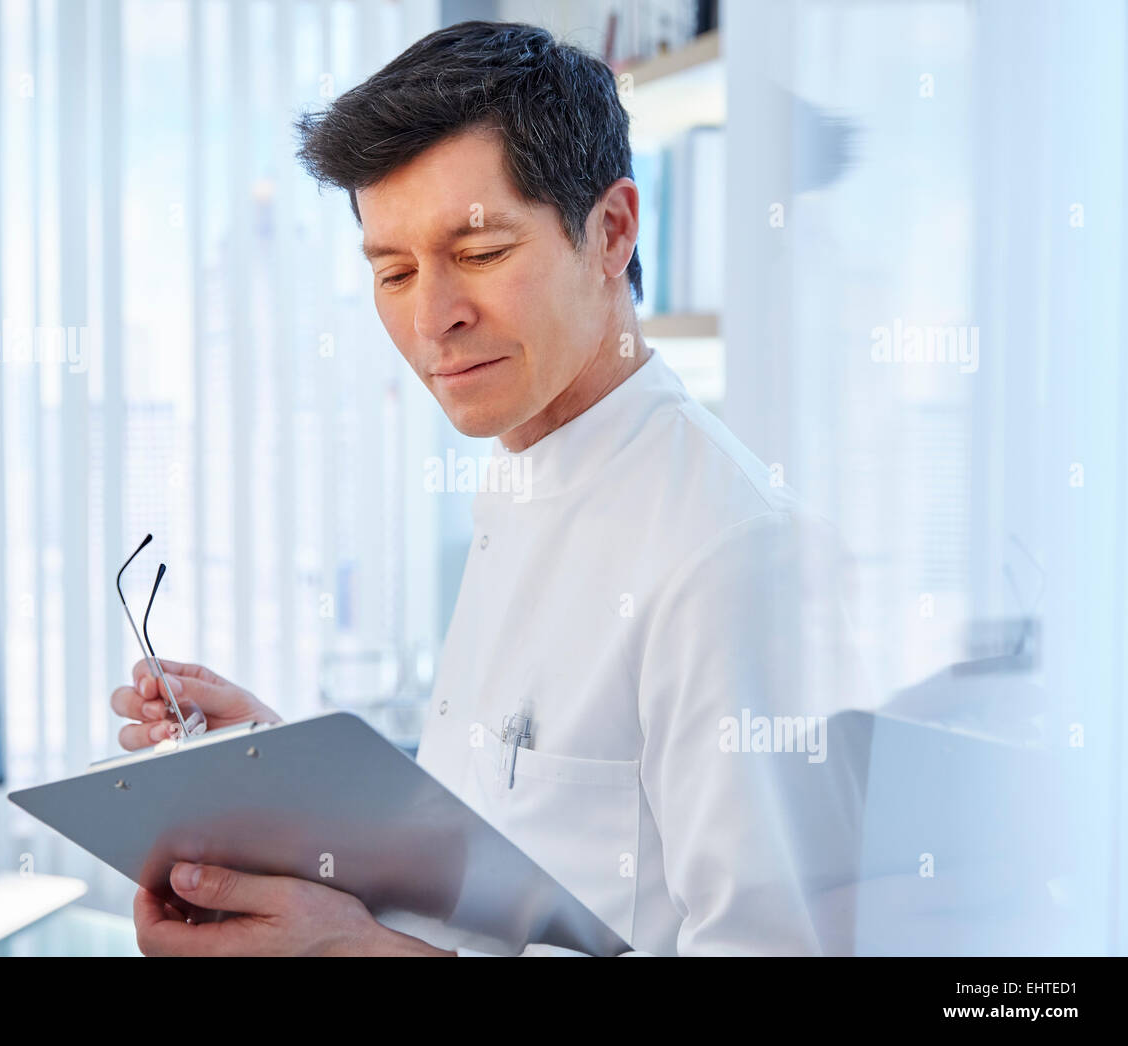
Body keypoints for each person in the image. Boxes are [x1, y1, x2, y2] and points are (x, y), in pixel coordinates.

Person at [109, 20, 866, 957]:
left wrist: (355, 953)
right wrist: (291, 788)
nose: (433, 319)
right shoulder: (519, 479)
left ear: (611, 232)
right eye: (392, 271)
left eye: (477, 254)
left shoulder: (734, 550)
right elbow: (500, 855)